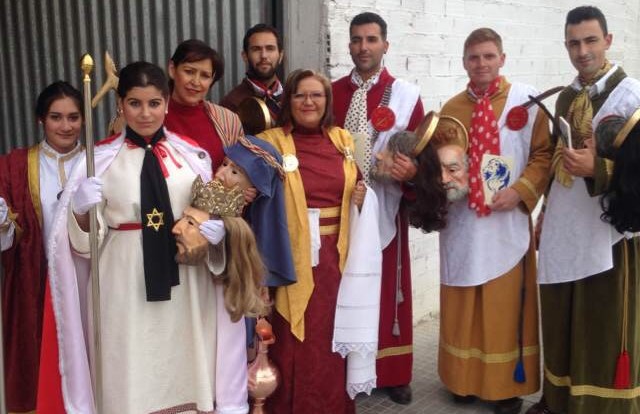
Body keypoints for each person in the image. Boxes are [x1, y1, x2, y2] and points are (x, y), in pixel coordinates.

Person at [42, 61, 251, 414]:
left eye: (154, 103)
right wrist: (79, 211)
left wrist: (217, 235)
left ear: (167, 103)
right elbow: (79, 249)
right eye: (135, 103)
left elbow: (215, 217)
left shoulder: (192, 157)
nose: (145, 113)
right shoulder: (97, 162)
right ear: (120, 105)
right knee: (130, 370)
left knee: (184, 362)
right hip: (123, 286)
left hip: (186, 283)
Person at [438, 28, 552, 414]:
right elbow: (439, 162)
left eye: (489, 56)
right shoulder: (450, 108)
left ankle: (506, 386)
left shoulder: (528, 103)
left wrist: (521, 190)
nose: (481, 64)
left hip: (506, 221)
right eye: (474, 57)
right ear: (464, 61)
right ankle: (463, 379)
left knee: (503, 308)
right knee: (464, 303)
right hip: (464, 222)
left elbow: (542, 155)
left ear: (502, 58)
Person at [533, 6, 640, 414]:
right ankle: (560, 398)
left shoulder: (631, 95)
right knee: (562, 315)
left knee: (601, 322)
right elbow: (558, 162)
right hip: (565, 223)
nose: (582, 51)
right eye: (574, 43)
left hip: (608, 231)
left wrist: (599, 168)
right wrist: (543, 215)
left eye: (591, 40)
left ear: (608, 41)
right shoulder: (567, 96)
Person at [258, 69, 382, 414]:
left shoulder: (343, 141)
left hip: (336, 261)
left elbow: (356, 189)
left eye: (317, 95)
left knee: (331, 341)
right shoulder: (269, 142)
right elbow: (252, 199)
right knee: (292, 343)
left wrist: (361, 197)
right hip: (288, 260)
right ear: (289, 100)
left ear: (327, 102)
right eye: (300, 95)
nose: (308, 102)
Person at [331, 12, 424, 404]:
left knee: (388, 288)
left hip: (385, 204)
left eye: (371, 39)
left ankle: (391, 372)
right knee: (343, 288)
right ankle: (345, 367)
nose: (363, 47)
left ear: (386, 45)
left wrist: (412, 170)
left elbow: (422, 154)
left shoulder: (406, 96)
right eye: (356, 40)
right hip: (340, 207)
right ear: (349, 45)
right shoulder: (331, 92)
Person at [0, 81, 84, 413]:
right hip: (36, 281)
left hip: (89, 278)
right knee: (40, 364)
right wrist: (5, 221)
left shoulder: (98, 159)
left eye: (74, 117)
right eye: (56, 117)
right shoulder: (15, 165)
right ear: (40, 120)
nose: (66, 126)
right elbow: (10, 233)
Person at [165, 38, 244, 170]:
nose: (196, 82)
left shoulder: (229, 121)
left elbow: (240, 171)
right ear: (172, 69)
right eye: (189, 72)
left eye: (205, 76)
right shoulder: (152, 115)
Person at [221, 23, 285, 131]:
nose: (264, 55)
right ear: (245, 56)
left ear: (281, 55)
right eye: (256, 49)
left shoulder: (294, 98)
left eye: (270, 48)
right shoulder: (231, 103)